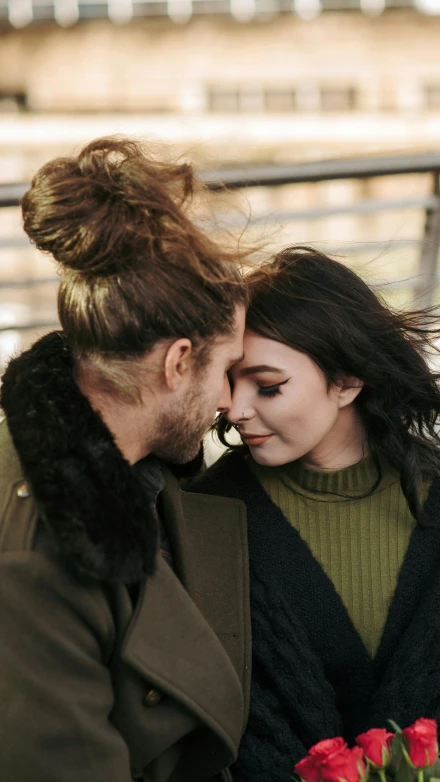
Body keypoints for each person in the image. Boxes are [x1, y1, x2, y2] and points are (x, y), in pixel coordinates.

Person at [190, 246, 440, 782]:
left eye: (268, 385)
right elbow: (222, 722)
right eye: (231, 380)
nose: (235, 408)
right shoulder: (208, 516)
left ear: (346, 381)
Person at [0, 136, 253, 782]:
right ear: (177, 363)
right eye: (226, 372)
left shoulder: (139, 475)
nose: (230, 403)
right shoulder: (33, 557)